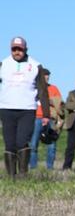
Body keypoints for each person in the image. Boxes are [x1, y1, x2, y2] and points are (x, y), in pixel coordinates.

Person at [0, 36, 50, 178]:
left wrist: (46, 114)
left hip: (27, 109)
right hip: (6, 109)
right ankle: (11, 177)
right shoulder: (3, 64)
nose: (17, 52)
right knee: (9, 143)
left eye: (20, 49)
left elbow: (42, 91)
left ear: (25, 49)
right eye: (14, 49)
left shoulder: (35, 65)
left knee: (22, 141)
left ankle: (22, 174)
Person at [29, 68, 63, 170]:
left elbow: (59, 104)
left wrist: (48, 100)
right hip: (36, 118)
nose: (46, 77)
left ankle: (50, 168)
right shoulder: (32, 88)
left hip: (51, 119)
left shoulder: (54, 89)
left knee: (51, 145)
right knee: (33, 144)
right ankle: (33, 168)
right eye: (44, 75)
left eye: (48, 75)